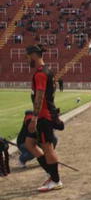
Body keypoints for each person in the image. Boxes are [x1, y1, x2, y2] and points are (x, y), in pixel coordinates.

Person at [24, 44, 64, 192]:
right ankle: (52, 175)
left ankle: (56, 180)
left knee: (47, 147)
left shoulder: (41, 73)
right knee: (29, 143)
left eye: (28, 55)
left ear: (34, 54)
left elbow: (40, 96)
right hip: (45, 114)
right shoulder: (47, 71)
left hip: (43, 116)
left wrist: (34, 118)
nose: (27, 58)